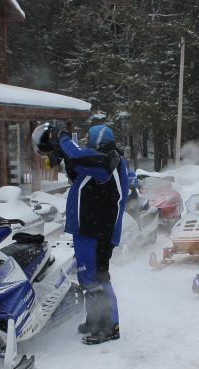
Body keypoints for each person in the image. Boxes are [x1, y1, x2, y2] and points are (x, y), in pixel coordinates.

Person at [32, 122, 129, 345]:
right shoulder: (96, 162)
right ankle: (95, 320)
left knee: (98, 277)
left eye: (88, 138)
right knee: (87, 277)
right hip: (87, 229)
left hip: (99, 231)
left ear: (99, 139)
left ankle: (109, 326)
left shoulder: (109, 161)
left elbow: (79, 158)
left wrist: (63, 138)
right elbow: (76, 167)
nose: (85, 141)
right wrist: (60, 152)